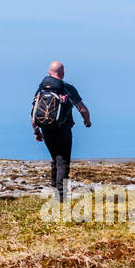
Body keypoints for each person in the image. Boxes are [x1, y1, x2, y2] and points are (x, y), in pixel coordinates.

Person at [31, 61, 91, 199]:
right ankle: (61, 197)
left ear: (49, 72)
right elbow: (82, 109)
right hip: (63, 129)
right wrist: (87, 121)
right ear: (63, 73)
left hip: (46, 129)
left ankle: (55, 187)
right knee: (63, 161)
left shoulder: (41, 89)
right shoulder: (67, 88)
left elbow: (33, 113)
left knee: (55, 158)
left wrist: (36, 131)